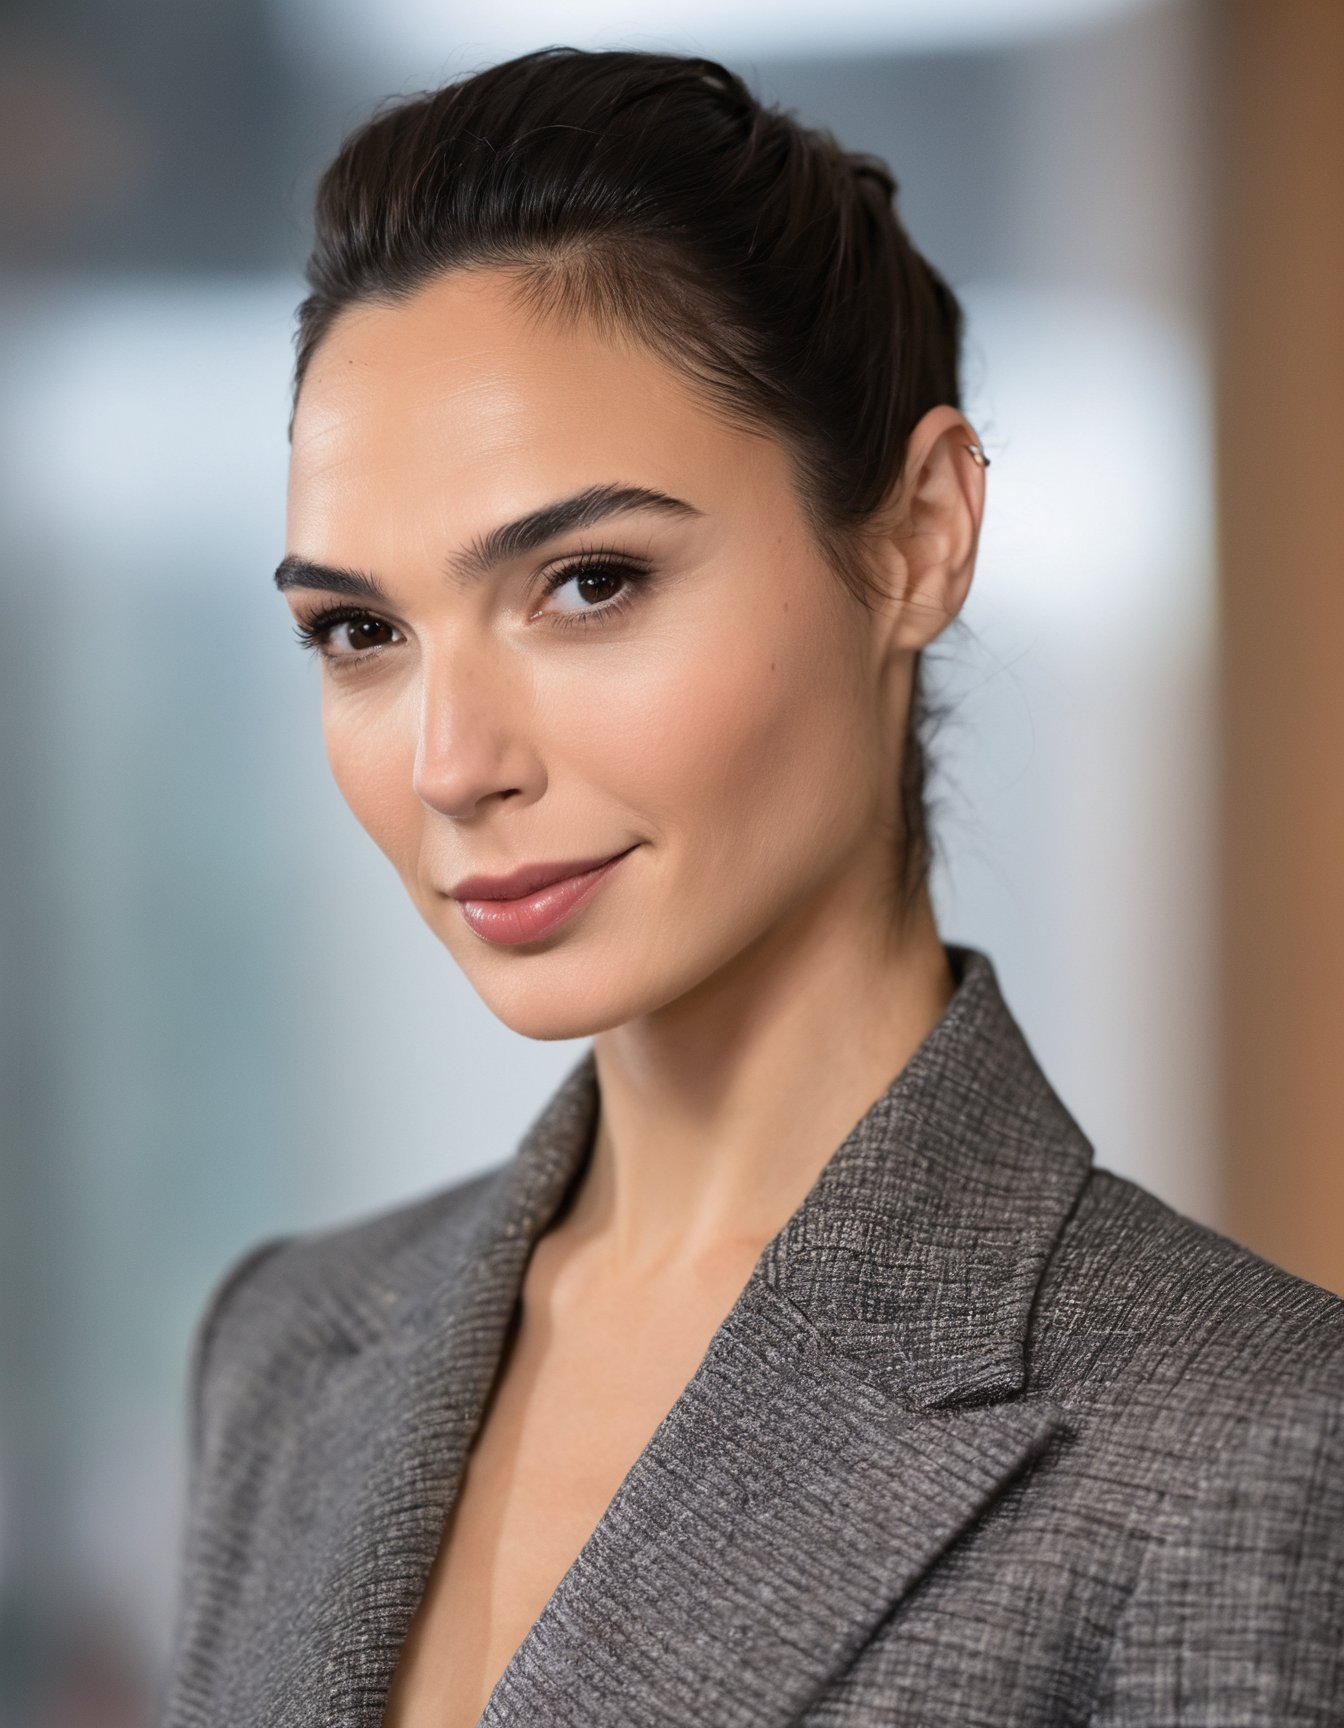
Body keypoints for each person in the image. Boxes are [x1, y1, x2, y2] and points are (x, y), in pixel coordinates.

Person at [157, 46, 1344, 1728]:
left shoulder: (1250, 1450)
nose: (450, 760)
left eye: (588, 582)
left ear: (920, 534)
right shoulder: (287, 1350)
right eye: (360, 631)